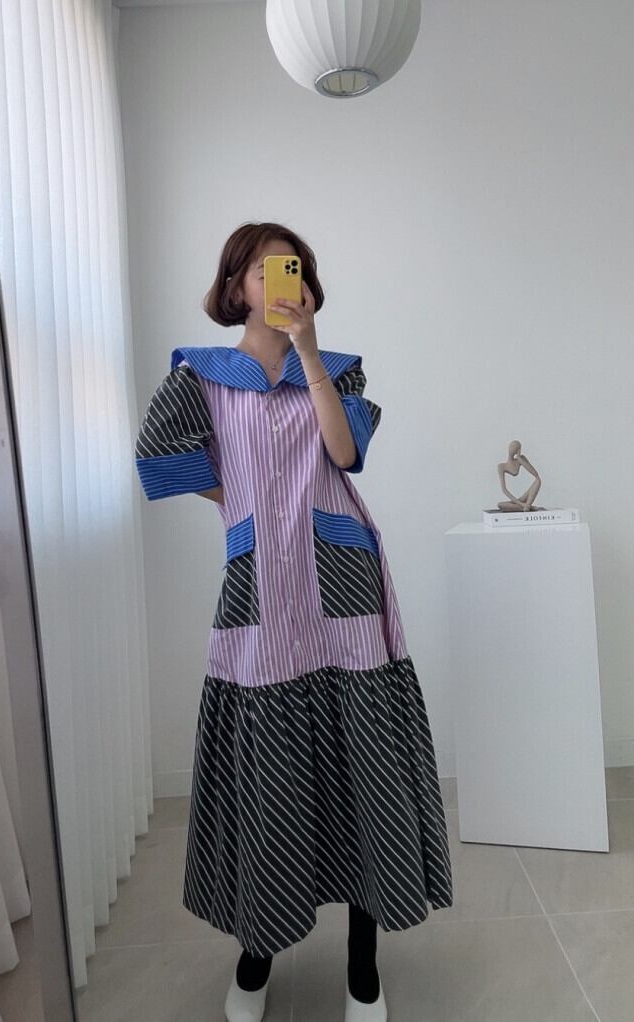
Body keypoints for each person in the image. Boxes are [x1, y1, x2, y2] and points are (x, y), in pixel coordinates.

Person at [134, 222, 453, 1022]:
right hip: (260, 587)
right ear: (235, 285)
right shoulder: (199, 378)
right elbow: (158, 457)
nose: (285, 280)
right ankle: (257, 954)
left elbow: (345, 457)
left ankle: (362, 965)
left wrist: (308, 352)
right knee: (269, 778)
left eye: (296, 269)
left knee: (364, 770)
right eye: (267, 269)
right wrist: (246, 506)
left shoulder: (338, 370)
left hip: (343, 581)